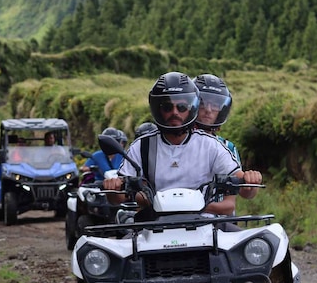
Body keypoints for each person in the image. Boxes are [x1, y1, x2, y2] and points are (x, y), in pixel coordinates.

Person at [103, 71, 261, 216]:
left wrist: (251, 180)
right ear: (157, 109)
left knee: (260, 243)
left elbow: (245, 190)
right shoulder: (141, 146)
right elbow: (117, 198)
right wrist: (113, 188)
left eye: (182, 107)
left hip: (206, 225)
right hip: (153, 226)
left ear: (192, 107)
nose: (175, 112)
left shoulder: (211, 145)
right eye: (167, 107)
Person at [194, 73, 241, 164]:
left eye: (215, 105)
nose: (208, 110)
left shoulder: (227, 147)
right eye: (203, 103)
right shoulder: (179, 142)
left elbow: (235, 176)